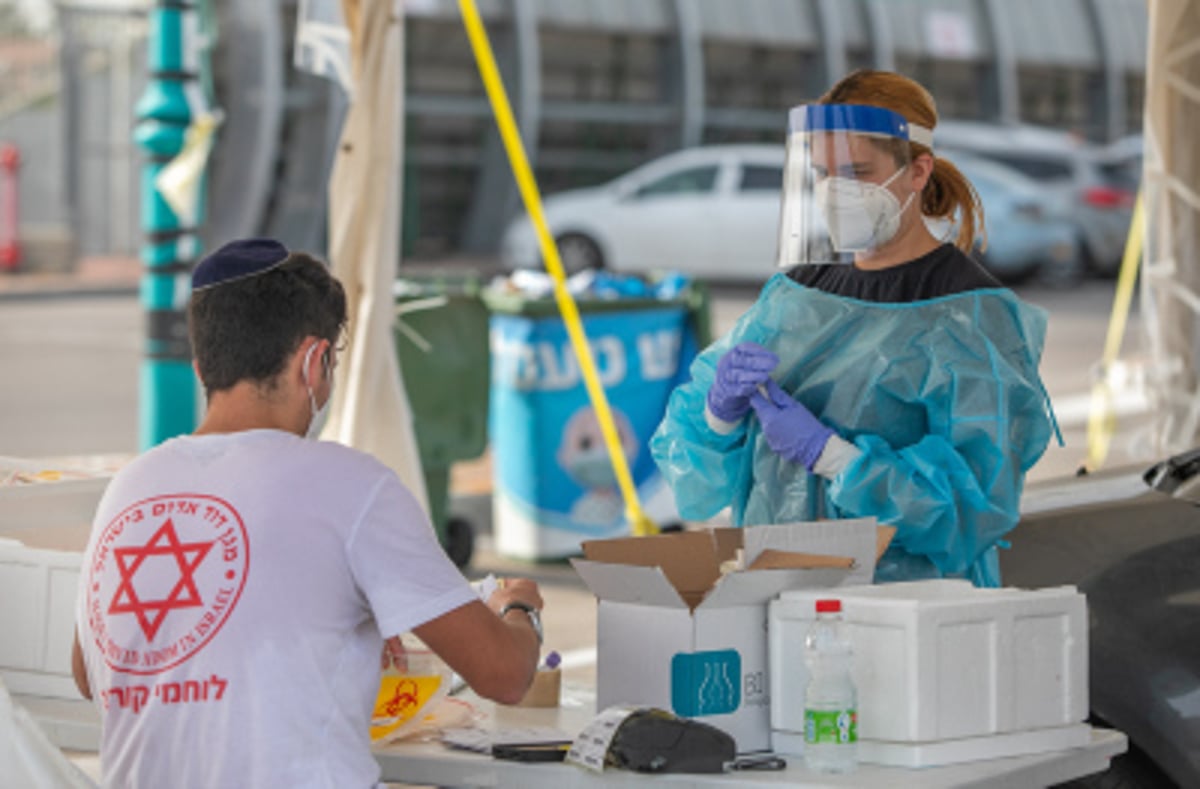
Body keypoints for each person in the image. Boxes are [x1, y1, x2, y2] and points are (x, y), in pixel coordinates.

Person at [71, 238, 544, 788]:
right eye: (333, 363)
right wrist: (517, 609)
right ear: (314, 361)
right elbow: (505, 676)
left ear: (202, 367)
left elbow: (89, 673)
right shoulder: (352, 485)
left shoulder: (130, 486)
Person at [650, 70, 1058, 588]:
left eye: (858, 172)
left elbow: (971, 507)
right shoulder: (797, 298)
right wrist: (718, 417)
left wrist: (831, 455)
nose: (834, 192)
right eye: (823, 173)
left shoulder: (967, 315)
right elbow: (696, 482)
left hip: (911, 609)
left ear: (917, 171)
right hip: (781, 594)